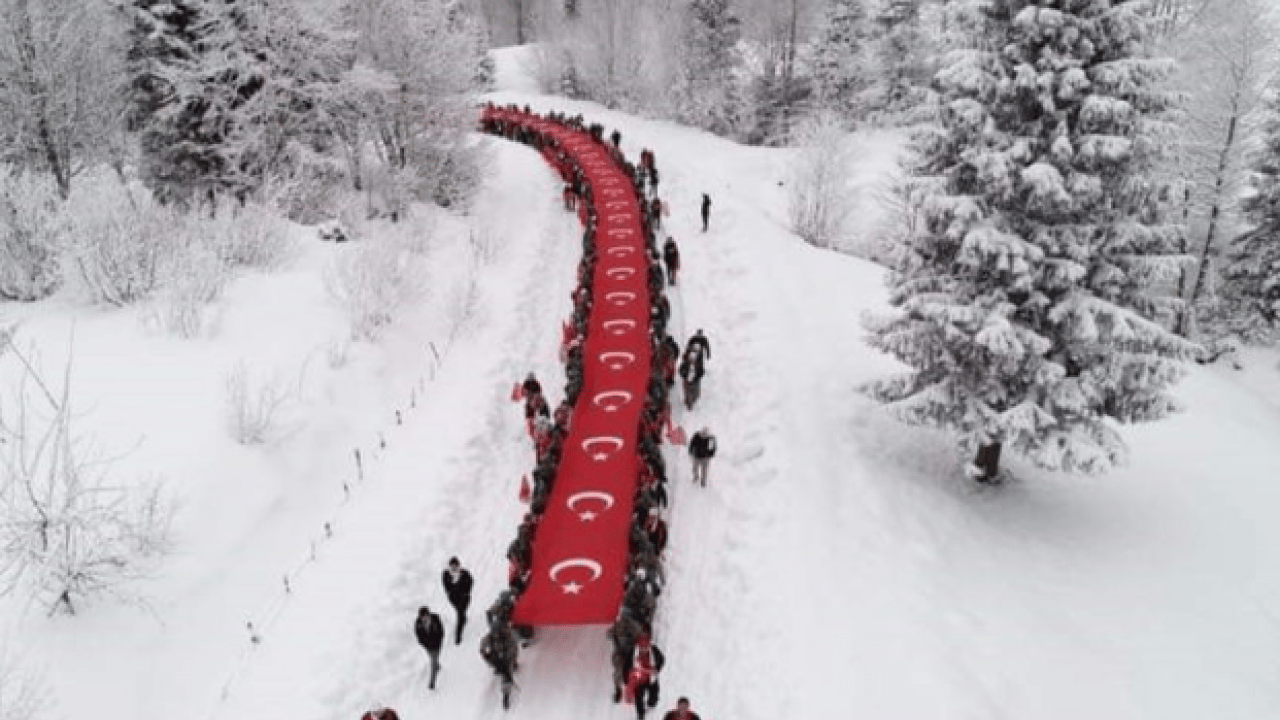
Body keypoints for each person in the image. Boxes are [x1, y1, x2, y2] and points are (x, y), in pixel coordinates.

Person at [625, 634, 665, 720]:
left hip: (651, 678)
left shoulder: (654, 650)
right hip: (639, 680)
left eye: (645, 647)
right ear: (638, 646)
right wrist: (627, 680)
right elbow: (626, 666)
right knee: (638, 698)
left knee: (654, 695)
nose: (643, 649)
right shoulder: (633, 652)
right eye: (641, 648)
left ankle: (651, 704)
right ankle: (641, 715)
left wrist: (657, 668)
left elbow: (662, 659)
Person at [442, 557, 474, 644]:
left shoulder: (464, 573)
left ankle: (460, 628)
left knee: (461, 613)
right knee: (460, 614)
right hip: (454, 599)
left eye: (455, 565)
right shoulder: (446, 574)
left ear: (458, 565)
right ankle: (460, 629)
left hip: (465, 598)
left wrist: (466, 591)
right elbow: (446, 586)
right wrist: (451, 591)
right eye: (452, 566)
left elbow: (471, 581)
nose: (454, 567)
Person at [414, 606, 445, 690]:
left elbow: (441, 631)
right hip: (427, 646)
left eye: (426, 616)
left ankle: (432, 683)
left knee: (433, 661)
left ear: (429, 614)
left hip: (437, 645)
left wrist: (439, 641)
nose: (424, 618)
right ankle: (437, 666)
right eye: (422, 617)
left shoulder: (435, 618)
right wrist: (424, 644)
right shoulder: (418, 623)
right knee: (433, 658)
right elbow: (418, 635)